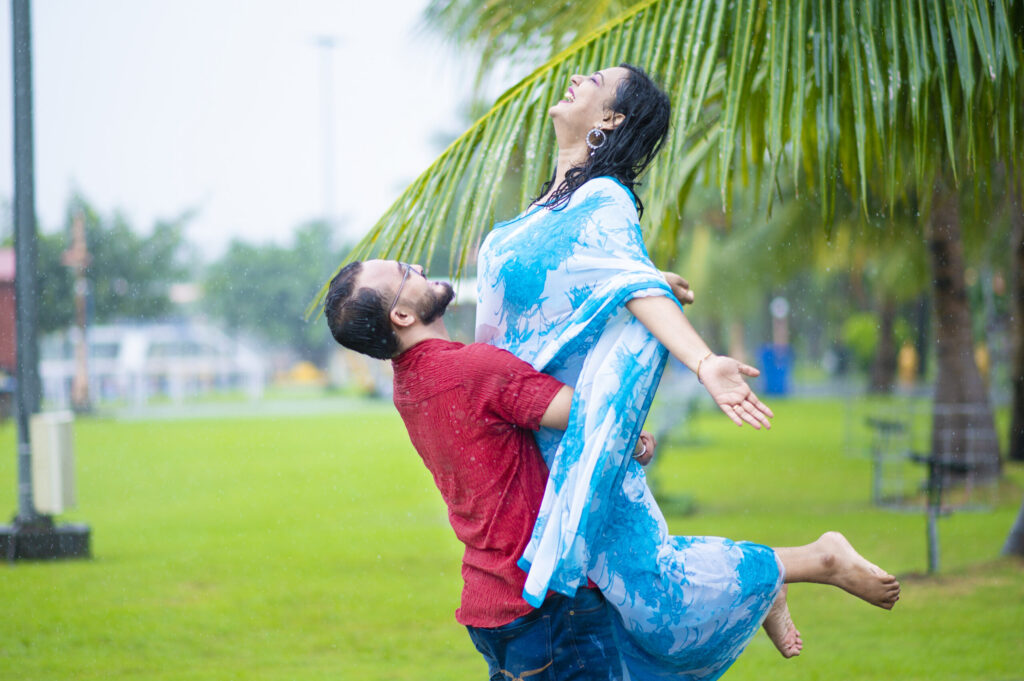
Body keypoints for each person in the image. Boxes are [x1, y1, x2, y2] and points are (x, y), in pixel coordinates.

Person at [475, 63, 900, 679]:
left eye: (593, 80)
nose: (575, 76)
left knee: (651, 596)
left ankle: (809, 562)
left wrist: (703, 361)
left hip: (572, 438)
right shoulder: (543, 209)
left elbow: (632, 285)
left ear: (611, 120)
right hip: (532, 433)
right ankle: (777, 579)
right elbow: (599, 288)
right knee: (617, 596)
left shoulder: (604, 198)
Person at [324, 258, 668, 680]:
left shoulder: (408, 385)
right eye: (402, 271)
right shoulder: (471, 370)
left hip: (491, 603)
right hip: (546, 603)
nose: (415, 265)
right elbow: (595, 415)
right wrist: (644, 305)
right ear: (402, 316)